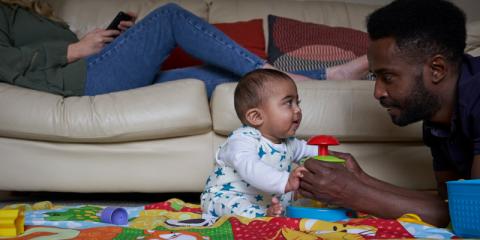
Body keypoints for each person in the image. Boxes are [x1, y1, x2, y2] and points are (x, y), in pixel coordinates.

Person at [298, 0, 479, 227]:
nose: (378, 92)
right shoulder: (437, 117)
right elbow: (449, 206)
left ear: (437, 69)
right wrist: (360, 181)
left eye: (388, 77)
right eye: (376, 77)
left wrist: (351, 192)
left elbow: (475, 216)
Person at [0, 0, 368, 98]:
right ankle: (281, 73)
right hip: (80, 79)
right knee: (170, 18)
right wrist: (74, 51)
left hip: (92, 71)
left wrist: (106, 40)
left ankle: (324, 75)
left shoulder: (30, 11)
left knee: (216, 77)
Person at [200, 69, 319, 218]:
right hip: (230, 195)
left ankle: (271, 211)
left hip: (267, 199)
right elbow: (250, 167)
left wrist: (330, 154)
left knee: (297, 197)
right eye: (288, 103)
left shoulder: (289, 143)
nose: (298, 110)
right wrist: (285, 181)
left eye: (297, 102)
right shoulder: (242, 139)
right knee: (229, 204)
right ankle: (262, 215)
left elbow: (314, 152)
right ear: (256, 116)